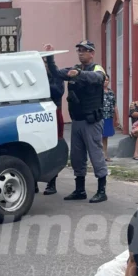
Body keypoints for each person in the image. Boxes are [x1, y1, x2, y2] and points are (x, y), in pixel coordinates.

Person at [56, 40, 109, 203]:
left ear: (92, 53)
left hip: (91, 120)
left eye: (85, 50)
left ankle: (102, 190)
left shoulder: (97, 69)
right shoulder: (75, 68)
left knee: (96, 155)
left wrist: (78, 74)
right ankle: (80, 190)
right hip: (77, 120)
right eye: (79, 50)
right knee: (77, 157)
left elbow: (97, 78)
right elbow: (57, 74)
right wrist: (50, 59)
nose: (81, 53)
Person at [41, 44, 66, 196]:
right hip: (37, 115)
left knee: (53, 147)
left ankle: (52, 181)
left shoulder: (56, 76)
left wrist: (43, 84)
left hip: (53, 114)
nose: (43, 66)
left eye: (45, 62)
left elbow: (58, 91)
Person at [101, 73, 121, 162]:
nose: (105, 82)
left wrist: (118, 118)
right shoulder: (97, 92)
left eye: (107, 80)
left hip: (108, 117)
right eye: (104, 80)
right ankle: (99, 156)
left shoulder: (111, 92)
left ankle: (105, 155)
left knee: (105, 137)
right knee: (98, 137)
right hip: (99, 117)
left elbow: (114, 105)